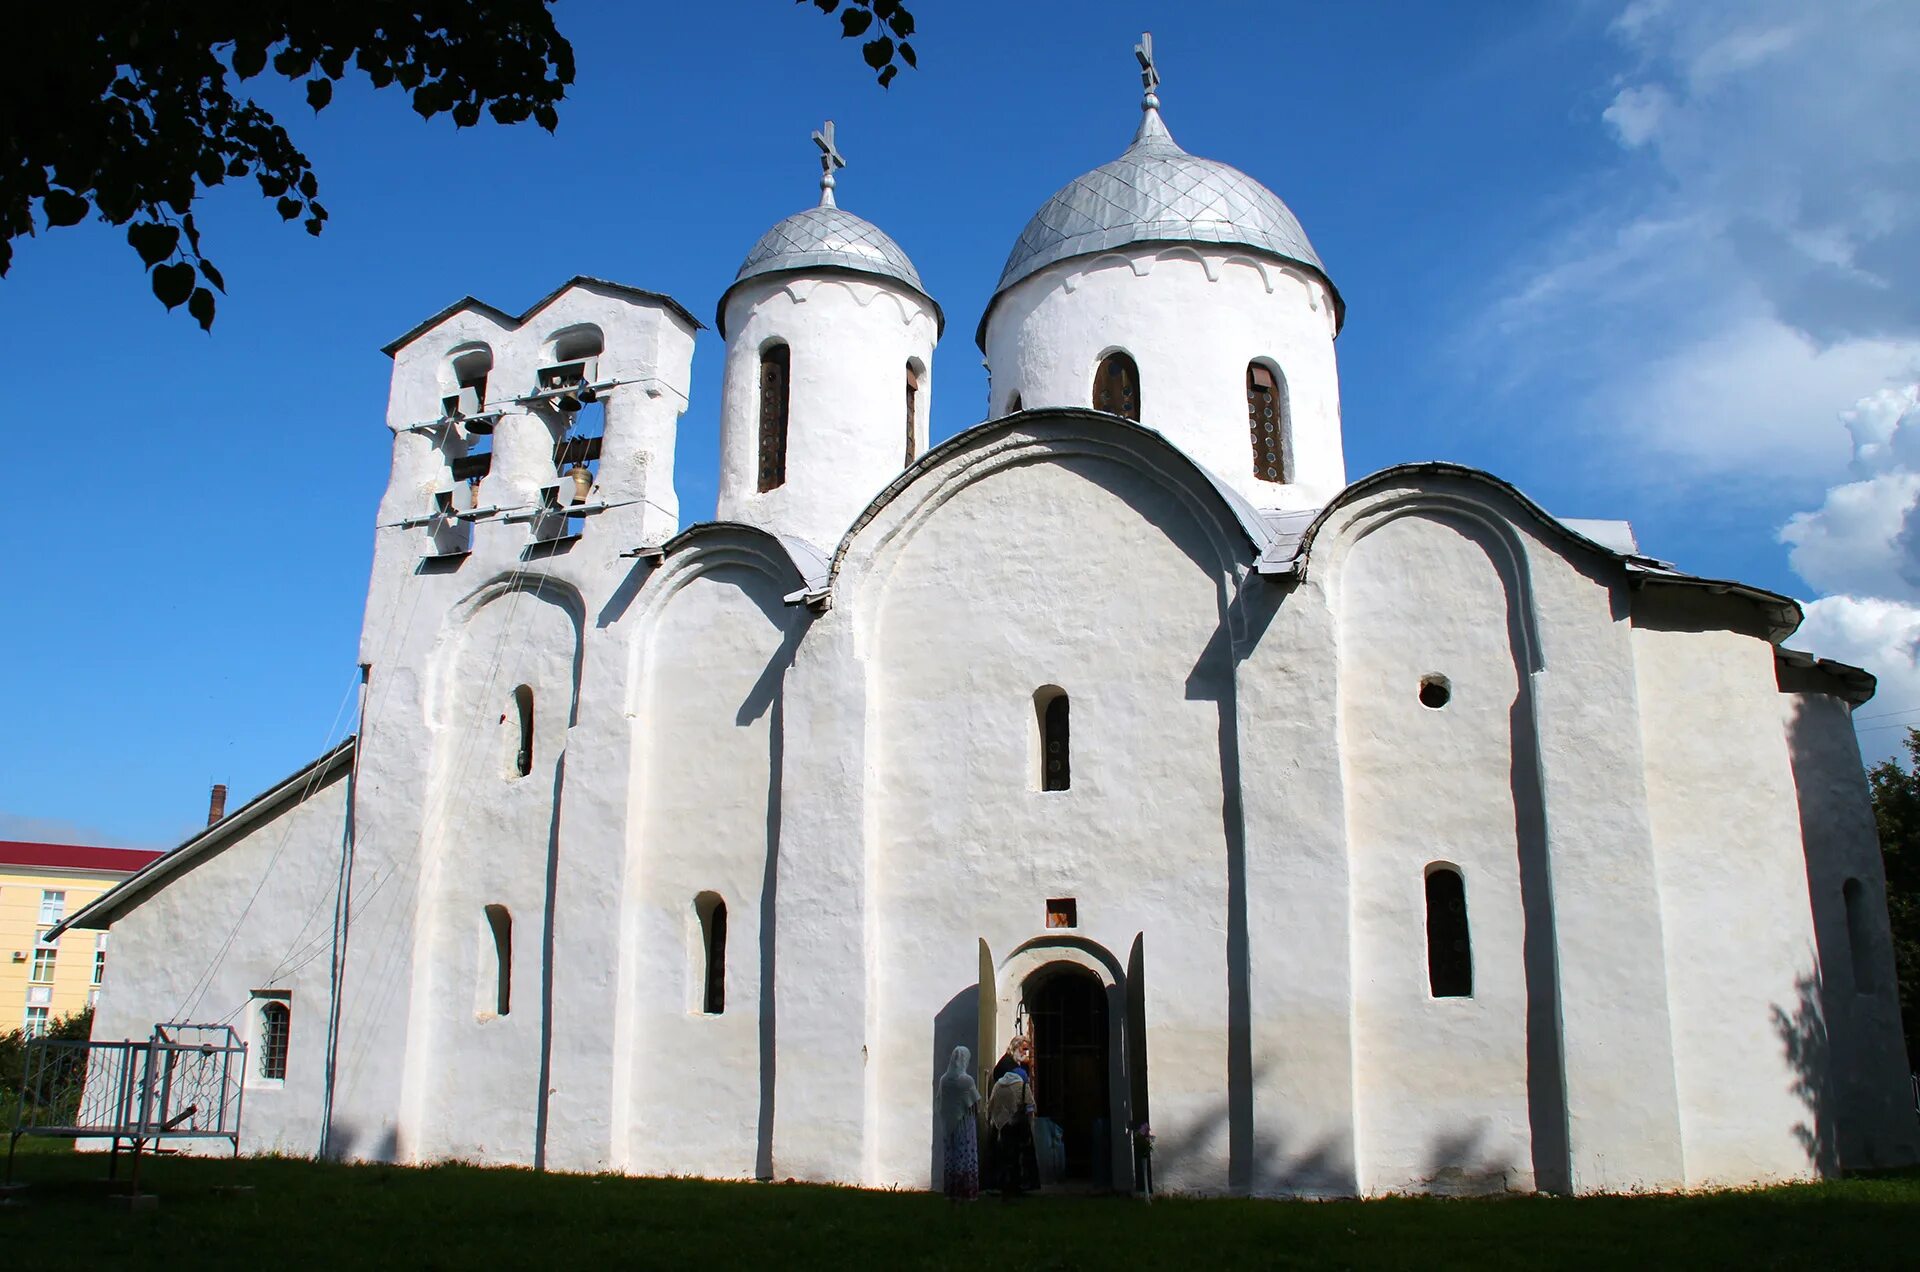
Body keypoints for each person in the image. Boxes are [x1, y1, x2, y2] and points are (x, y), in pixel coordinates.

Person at [986, 1037, 1038, 1196]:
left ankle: (1010, 1184)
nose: (1025, 1053)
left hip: (1005, 1117)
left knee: (1008, 1154)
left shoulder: (1014, 1065)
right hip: (1011, 1116)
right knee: (1011, 1154)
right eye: (1023, 1049)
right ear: (1015, 1048)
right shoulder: (1009, 1067)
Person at [938, 1045, 981, 1202]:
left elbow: (940, 1101)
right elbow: (975, 1102)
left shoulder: (944, 1080)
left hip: (948, 1124)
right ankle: (966, 1191)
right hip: (965, 1123)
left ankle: (951, 1191)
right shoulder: (966, 1081)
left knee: (952, 1157)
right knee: (965, 1155)